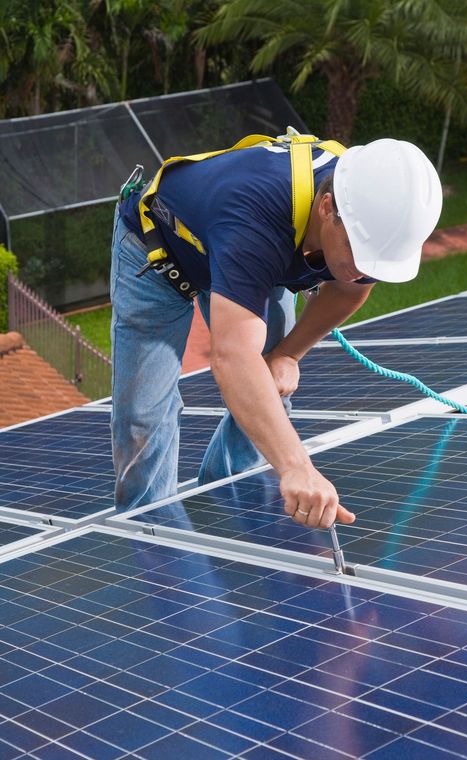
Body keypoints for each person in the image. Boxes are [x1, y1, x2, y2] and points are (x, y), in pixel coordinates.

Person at [111, 133, 442, 530]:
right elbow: (233, 358)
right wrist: (297, 466)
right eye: (357, 252)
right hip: (159, 255)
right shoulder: (254, 218)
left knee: (271, 389)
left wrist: (288, 354)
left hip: (259, 258)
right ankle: (153, 537)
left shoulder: (365, 215)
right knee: (144, 416)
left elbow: (350, 289)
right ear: (326, 208)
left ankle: (226, 508)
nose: (362, 268)